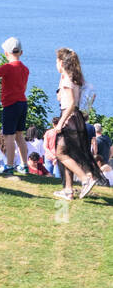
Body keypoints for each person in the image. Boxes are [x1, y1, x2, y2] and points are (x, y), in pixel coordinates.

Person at [52, 47, 102, 200]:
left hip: (68, 117)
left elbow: (71, 102)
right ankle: (68, 190)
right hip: (76, 118)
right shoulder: (75, 78)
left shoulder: (67, 79)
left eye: (57, 60)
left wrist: (60, 123)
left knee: (60, 153)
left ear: (61, 62)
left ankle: (86, 178)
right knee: (67, 153)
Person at [0, 37, 30, 175]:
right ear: (21, 52)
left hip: (10, 104)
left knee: (8, 136)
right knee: (19, 135)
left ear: (6, 53)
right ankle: (24, 165)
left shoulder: (8, 67)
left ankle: (9, 165)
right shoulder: (25, 69)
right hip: (22, 102)